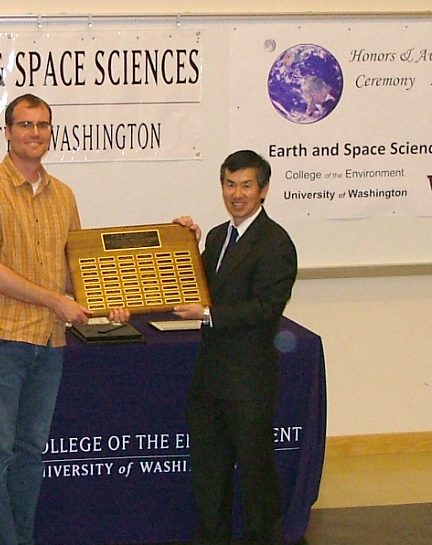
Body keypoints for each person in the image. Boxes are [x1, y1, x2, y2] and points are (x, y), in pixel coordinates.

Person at [0, 93, 130, 545]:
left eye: (43, 125)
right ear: (9, 131)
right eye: (25, 124)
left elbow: (75, 274)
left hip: (49, 343)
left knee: (31, 452)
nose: (35, 133)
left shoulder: (64, 196)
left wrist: (112, 299)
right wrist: (55, 301)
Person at [172, 149, 298, 545]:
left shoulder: (276, 242)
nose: (236, 194)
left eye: (246, 185)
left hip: (248, 382)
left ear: (263, 190)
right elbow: (203, 283)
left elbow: (265, 308)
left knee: (256, 473)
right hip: (210, 378)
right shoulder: (216, 235)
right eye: (229, 184)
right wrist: (184, 244)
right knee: (209, 472)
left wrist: (207, 313)